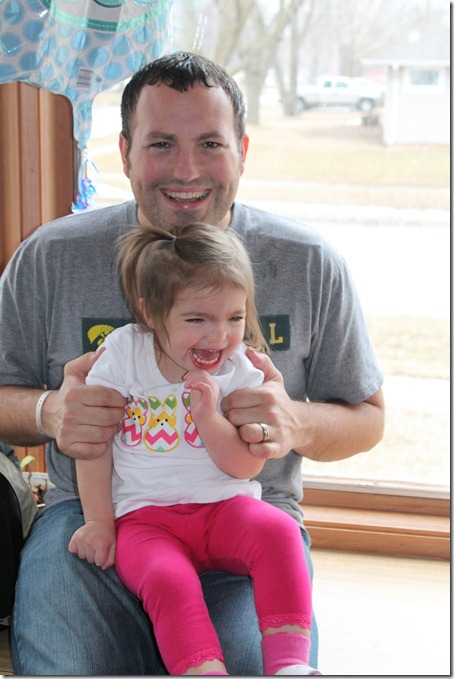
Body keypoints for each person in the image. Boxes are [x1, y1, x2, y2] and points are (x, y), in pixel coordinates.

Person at [0, 51, 384, 675]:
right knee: (67, 663)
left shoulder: (309, 263)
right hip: (93, 518)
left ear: (242, 151)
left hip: (244, 512)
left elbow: (368, 418)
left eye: (210, 143)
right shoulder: (50, 257)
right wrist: (48, 411)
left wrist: (296, 422)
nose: (186, 170)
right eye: (161, 144)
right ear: (125, 153)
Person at [68, 221, 320, 676]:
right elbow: (94, 442)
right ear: (151, 313)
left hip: (225, 508)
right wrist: (99, 522)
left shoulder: (239, 367)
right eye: (197, 319)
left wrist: (208, 418)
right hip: (145, 519)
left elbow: (245, 467)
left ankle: (289, 665)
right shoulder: (124, 354)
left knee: (281, 534)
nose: (219, 336)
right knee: (168, 580)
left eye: (234, 318)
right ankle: (203, 670)